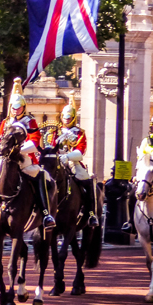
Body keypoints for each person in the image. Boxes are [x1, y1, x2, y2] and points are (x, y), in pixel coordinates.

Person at [0, 78, 55, 230]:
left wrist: (18, 150)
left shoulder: (30, 121)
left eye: (18, 107)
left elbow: (34, 141)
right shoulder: (5, 122)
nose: (15, 109)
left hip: (24, 158)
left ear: (23, 107)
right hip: (5, 158)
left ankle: (46, 213)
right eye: (13, 107)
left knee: (40, 177)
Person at [55, 93, 98, 227]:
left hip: (73, 162)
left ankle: (91, 214)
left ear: (73, 117)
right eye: (64, 117)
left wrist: (67, 157)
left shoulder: (80, 133)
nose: (66, 119)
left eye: (69, 117)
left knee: (86, 181)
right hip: (57, 161)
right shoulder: (56, 132)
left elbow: (80, 151)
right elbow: (51, 147)